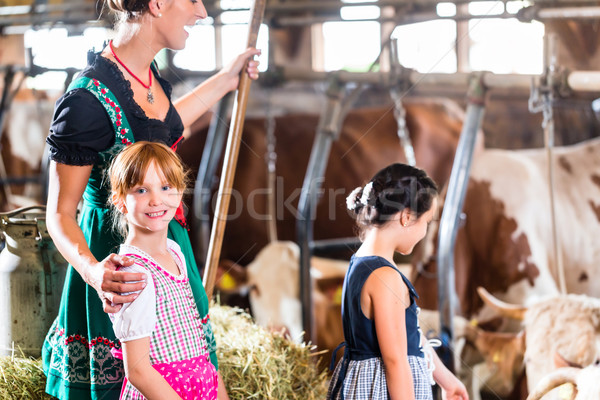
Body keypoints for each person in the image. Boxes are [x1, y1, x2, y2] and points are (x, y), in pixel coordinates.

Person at [42, 0, 260, 398]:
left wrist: (227, 79)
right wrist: (96, 275)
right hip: (119, 267)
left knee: (185, 370)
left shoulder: (147, 77)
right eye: (194, 0)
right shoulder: (85, 102)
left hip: (171, 251)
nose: (202, 12)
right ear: (158, 4)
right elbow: (58, 214)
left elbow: (166, 126)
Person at [327, 163, 469, 400]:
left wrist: (445, 379)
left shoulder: (362, 261)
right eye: (427, 222)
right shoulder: (385, 277)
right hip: (382, 390)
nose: (425, 232)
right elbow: (395, 362)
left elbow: (406, 331)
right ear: (406, 217)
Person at [107, 141, 219, 399]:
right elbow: (138, 370)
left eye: (166, 187)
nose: (156, 200)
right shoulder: (134, 272)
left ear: (179, 193)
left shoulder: (174, 252)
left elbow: (201, 349)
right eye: (142, 190)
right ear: (120, 201)